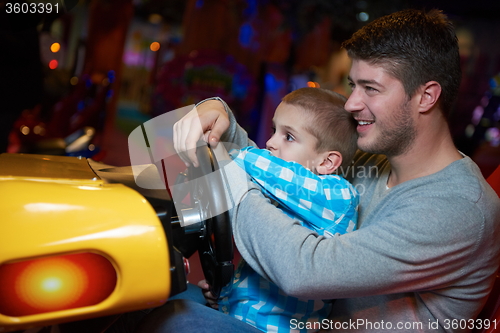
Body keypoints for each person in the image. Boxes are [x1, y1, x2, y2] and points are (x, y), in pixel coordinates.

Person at [136, 9, 500, 333]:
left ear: (426, 96)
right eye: (353, 85)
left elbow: (307, 270)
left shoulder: (458, 207)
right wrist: (221, 119)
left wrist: (230, 176)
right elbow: (285, 175)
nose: (353, 104)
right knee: (146, 296)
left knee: (171, 321)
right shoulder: (373, 163)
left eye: (370, 89)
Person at [214, 87, 358, 333]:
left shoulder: (338, 196)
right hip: (238, 316)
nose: (270, 142)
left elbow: (272, 171)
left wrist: (225, 156)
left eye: (288, 137)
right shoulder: (284, 196)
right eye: (274, 131)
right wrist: (224, 295)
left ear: (326, 162)